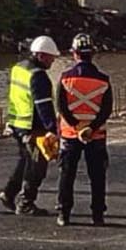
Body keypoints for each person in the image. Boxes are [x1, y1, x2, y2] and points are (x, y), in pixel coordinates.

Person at [53, 33, 112, 227]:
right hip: (96, 135)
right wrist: (90, 128)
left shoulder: (65, 79)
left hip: (70, 134)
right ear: (92, 54)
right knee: (97, 176)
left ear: (74, 53)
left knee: (67, 174)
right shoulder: (104, 80)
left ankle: (64, 213)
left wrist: (76, 126)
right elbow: (106, 110)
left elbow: (61, 106)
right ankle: (97, 215)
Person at [1, 35, 60, 216]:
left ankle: (9, 193)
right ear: (41, 55)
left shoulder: (19, 69)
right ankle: (26, 202)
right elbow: (43, 106)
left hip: (17, 123)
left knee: (24, 161)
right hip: (33, 128)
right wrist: (53, 129)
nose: (53, 61)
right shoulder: (38, 76)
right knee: (37, 166)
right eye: (51, 57)